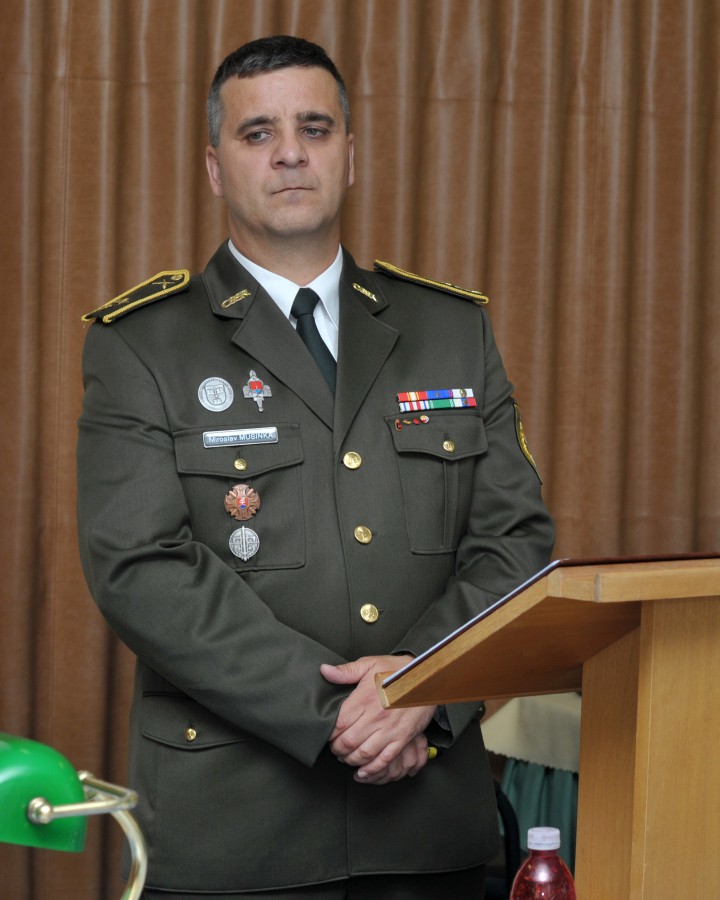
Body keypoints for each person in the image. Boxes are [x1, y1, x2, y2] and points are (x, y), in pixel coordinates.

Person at [77, 35, 554, 899]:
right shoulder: (143, 343)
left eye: (315, 128)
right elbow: (140, 567)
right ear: (216, 168)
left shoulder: (452, 330)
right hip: (235, 835)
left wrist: (424, 687)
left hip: (427, 831)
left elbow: (514, 544)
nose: (291, 152)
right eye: (258, 133)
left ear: (350, 155)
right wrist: (340, 712)